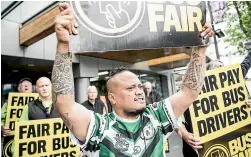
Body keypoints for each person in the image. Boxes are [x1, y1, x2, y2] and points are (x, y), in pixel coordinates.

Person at [52, 3, 214, 156]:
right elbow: (63, 104)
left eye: (139, 86)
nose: (139, 92)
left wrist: (200, 49)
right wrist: (64, 45)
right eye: (130, 88)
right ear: (112, 98)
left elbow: (189, 92)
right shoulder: (98, 128)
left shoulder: (156, 117)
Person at [181, 51, 251, 157]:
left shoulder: (234, 91)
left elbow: (245, 64)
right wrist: (185, 134)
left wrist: (247, 107)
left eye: (222, 70)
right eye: (216, 71)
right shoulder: (194, 95)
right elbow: (178, 118)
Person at [11, 77, 60, 155]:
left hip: (59, 150)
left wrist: (77, 148)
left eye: (46, 85)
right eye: (41, 86)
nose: (44, 88)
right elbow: (21, 132)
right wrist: (15, 152)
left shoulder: (62, 105)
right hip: (37, 151)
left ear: (51, 87)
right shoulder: (28, 107)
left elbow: (71, 129)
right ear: (37, 89)